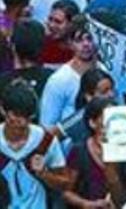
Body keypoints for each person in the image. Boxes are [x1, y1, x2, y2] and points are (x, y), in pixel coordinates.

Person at [0, 80, 71, 209]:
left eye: (27, 117)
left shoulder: (45, 140)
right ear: (3, 110)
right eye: (16, 115)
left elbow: (66, 183)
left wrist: (44, 174)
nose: (22, 123)